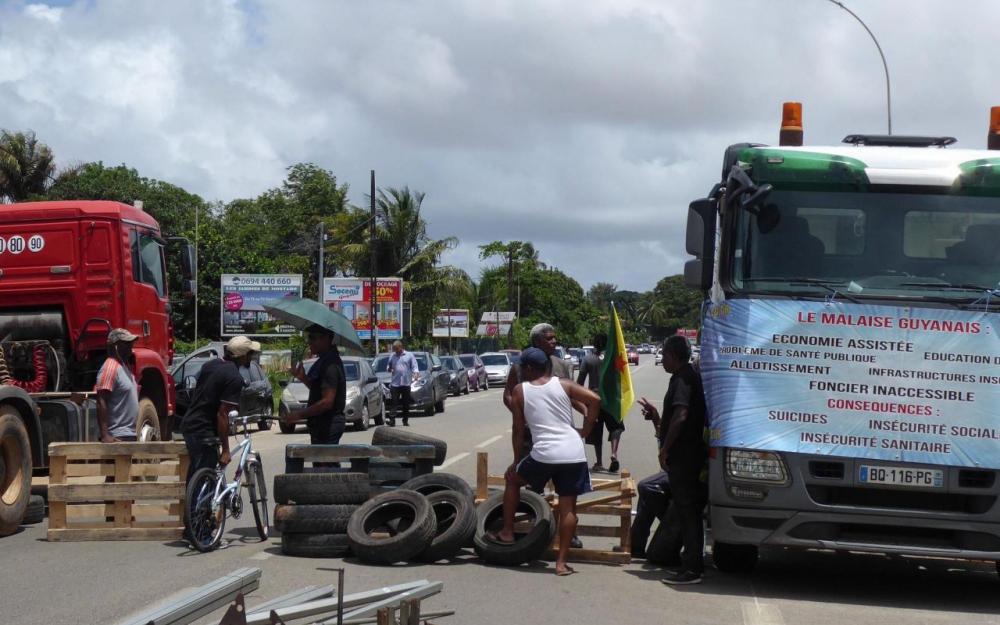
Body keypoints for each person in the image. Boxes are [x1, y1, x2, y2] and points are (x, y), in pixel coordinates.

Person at [487, 347, 600, 576]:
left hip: (545, 453)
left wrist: (516, 461)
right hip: (573, 452)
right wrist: (586, 429)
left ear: (528, 369)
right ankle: (561, 564)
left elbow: (518, 430)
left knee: (513, 481)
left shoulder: (520, 391)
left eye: (521, 367)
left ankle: (507, 532)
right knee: (568, 507)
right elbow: (595, 399)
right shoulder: (564, 384)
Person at [647, 335, 708, 585]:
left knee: (688, 511)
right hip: (689, 455)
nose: (661, 360)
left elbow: (681, 415)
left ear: (671, 356)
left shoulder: (683, 378)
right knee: (687, 511)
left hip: (685, 456)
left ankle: (693, 567)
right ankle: (689, 562)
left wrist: (665, 449)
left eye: (663, 355)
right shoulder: (687, 376)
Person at [181, 336, 252, 487]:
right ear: (244, 356)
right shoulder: (235, 378)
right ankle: (200, 510)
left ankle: (192, 507)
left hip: (189, 424)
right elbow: (222, 414)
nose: (252, 357)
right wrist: (226, 450)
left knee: (196, 472)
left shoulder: (210, 365)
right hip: (203, 429)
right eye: (251, 354)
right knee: (205, 478)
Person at [286, 325, 348, 455]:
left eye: (313, 338)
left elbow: (327, 402)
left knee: (326, 469)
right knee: (323, 467)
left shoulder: (330, 365)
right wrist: (303, 378)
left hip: (328, 424)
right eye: (309, 337)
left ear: (325, 339)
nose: (309, 341)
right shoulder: (323, 361)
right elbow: (319, 391)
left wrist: (299, 414)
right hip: (320, 424)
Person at [577, 332, 625, 473]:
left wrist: (582, 401)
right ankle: (614, 453)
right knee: (616, 427)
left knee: (596, 431)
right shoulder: (615, 360)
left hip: (594, 399)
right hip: (611, 399)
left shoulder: (588, 359)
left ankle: (598, 462)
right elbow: (622, 379)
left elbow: (579, 382)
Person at [96, 328, 140, 443]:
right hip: (117, 436)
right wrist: (105, 435)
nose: (131, 345)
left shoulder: (124, 367)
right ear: (115, 346)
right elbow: (101, 401)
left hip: (129, 434)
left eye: (131, 342)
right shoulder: (110, 368)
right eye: (126, 343)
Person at [386, 340, 418, 427]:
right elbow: (388, 366)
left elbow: (414, 366)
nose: (396, 350)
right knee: (394, 402)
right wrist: (389, 368)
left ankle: (405, 420)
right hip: (395, 383)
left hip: (406, 382)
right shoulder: (392, 356)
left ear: (401, 347)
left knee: (405, 402)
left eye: (397, 349)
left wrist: (416, 373)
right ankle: (392, 420)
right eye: (394, 349)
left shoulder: (409, 355)